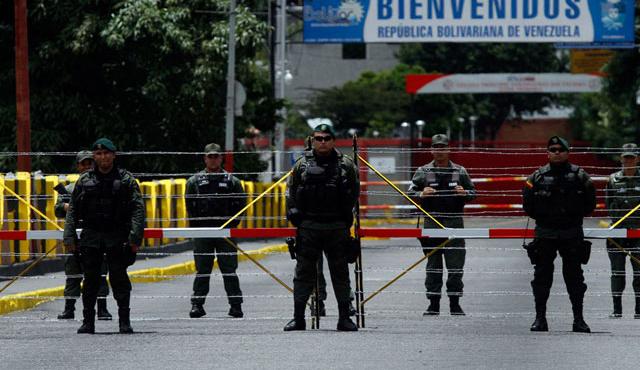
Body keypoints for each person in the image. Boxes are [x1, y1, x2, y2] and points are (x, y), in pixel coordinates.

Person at [63, 138, 144, 334]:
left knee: (119, 279)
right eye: (98, 154)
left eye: (106, 153)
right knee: (90, 280)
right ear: (94, 157)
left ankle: (124, 320)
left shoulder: (126, 180)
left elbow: (138, 210)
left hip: (117, 236)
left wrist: (135, 238)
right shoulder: (84, 180)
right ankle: (88, 321)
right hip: (91, 237)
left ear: (113, 155)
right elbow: (73, 211)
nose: (103, 157)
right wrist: (69, 237)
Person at [284, 124, 359, 331]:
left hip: (336, 226)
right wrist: (294, 216)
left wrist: (345, 217)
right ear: (312, 140)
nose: (323, 142)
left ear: (333, 140)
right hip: (309, 227)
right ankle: (298, 318)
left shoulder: (346, 164)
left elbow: (354, 192)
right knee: (303, 274)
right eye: (319, 138)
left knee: (340, 273)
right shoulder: (301, 165)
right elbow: (290, 192)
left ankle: (344, 318)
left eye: (327, 138)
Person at [522, 136, 596, 333]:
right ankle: (540, 319)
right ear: (547, 153)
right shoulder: (536, 177)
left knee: (575, 278)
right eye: (552, 149)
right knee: (541, 277)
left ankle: (579, 320)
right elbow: (527, 206)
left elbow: (590, 205)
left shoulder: (580, 176)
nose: (556, 152)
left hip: (571, 232)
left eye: (560, 149)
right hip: (545, 232)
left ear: (567, 152)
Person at [408, 134, 476, 316]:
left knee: (456, 266)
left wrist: (465, 192)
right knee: (433, 265)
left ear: (449, 149)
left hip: (454, 221)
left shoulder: (460, 171)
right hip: (432, 221)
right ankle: (433, 303)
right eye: (436, 147)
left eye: (443, 147)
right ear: (431, 150)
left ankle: (455, 302)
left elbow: (473, 192)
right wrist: (421, 194)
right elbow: (410, 192)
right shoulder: (423, 171)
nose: (439, 151)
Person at [186, 143, 246, 319]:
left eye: (216, 156)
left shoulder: (232, 181)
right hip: (203, 232)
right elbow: (190, 206)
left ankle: (236, 305)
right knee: (202, 270)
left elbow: (242, 206)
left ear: (221, 158)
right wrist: (197, 230)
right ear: (205, 158)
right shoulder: (194, 181)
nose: (213, 160)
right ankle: (197, 305)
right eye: (210, 157)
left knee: (229, 270)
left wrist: (232, 227)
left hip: (225, 233)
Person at [55, 151, 112, 321]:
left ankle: (102, 308)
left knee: (100, 274)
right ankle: (69, 308)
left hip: (96, 237)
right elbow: (57, 209)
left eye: (90, 163)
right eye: (83, 164)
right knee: (73, 274)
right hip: (76, 238)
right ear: (78, 166)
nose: (87, 167)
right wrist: (69, 207)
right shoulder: (70, 188)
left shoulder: (103, 185)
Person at [604, 143, 640, 318]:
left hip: (639, 234)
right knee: (617, 272)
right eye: (626, 157)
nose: (629, 161)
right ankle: (617, 309)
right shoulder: (613, 180)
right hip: (618, 233)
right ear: (621, 159)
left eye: (632, 157)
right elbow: (609, 204)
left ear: (637, 159)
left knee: (639, 273)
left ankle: (639, 310)